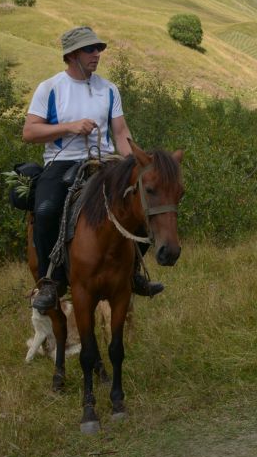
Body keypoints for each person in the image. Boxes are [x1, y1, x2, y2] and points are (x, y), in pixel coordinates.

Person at [24, 26, 165, 313]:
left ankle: (133, 271)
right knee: (45, 210)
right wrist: (69, 127)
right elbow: (29, 132)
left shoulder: (109, 89)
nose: (97, 54)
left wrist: (137, 161)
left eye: (98, 49)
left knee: (140, 204)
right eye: (90, 49)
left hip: (104, 162)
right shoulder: (49, 88)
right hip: (61, 161)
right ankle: (50, 281)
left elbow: (121, 131)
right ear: (72, 55)